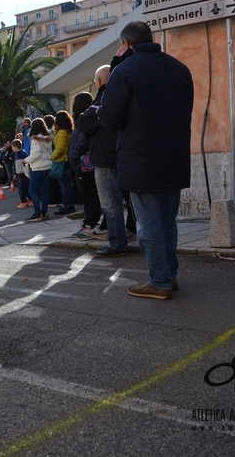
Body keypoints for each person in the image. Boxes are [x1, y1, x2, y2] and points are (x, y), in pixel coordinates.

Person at [97, 21, 194, 300]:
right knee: (167, 222)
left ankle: (159, 282)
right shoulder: (179, 68)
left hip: (141, 159)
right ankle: (169, 276)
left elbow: (111, 117)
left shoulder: (125, 70)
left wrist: (116, 65)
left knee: (148, 223)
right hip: (174, 157)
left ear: (127, 44)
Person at [78, 64, 130, 258]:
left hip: (106, 157)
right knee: (118, 200)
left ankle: (117, 243)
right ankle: (121, 239)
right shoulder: (120, 95)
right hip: (118, 154)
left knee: (110, 202)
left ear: (99, 82)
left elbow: (84, 122)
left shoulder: (104, 96)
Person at [69, 92, 102, 237]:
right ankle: (90, 221)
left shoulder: (84, 122)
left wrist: (74, 157)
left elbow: (83, 141)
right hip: (83, 164)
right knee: (89, 196)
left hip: (84, 165)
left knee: (89, 196)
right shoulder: (83, 120)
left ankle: (90, 223)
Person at [23, 118, 52, 221]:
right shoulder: (47, 137)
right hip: (47, 166)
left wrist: (26, 160)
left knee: (32, 190)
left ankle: (37, 212)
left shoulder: (35, 139)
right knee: (44, 191)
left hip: (37, 167)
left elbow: (36, 154)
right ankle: (44, 212)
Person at [52, 110, 75, 215]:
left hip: (62, 160)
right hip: (67, 159)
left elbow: (60, 148)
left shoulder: (61, 132)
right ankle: (69, 204)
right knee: (68, 184)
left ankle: (66, 205)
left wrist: (52, 157)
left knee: (65, 185)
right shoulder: (69, 130)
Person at [11, 139, 32, 209]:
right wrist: (15, 173)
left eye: (12, 147)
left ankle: (24, 201)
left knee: (22, 188)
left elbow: (24, 163)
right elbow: (17, 165)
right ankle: (30, 199)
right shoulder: (18, 154)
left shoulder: (21, 153)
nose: (12, 149)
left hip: (23, 173)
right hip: (20, 173)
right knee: (24, 188)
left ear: (16, 147)